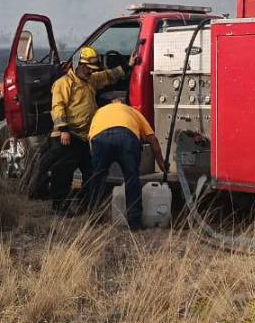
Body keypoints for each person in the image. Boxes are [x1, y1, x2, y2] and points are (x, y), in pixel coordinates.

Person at [41, 46, 131, 214]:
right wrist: (64, 129)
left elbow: (107, 76)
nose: (90, 72)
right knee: (63, 173)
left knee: (91, 172)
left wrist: (127, 66)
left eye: (92, 69)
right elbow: (58, 107)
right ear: (78, 65)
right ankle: (60, 208)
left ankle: (86, 205)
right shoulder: (64, 84)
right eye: (87, 68)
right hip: (67, 136)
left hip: (84, 137)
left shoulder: (90, 80)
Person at [83, 100, 168, 229]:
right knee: (131, 179)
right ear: (122, 103)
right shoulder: (132, 111)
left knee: (97, 179)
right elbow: (153, 140)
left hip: (101, 138)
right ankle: (134, 223)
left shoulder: (99, 112)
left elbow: (91, 138)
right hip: (127, 137)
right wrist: (162, 165)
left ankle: (94, 220)